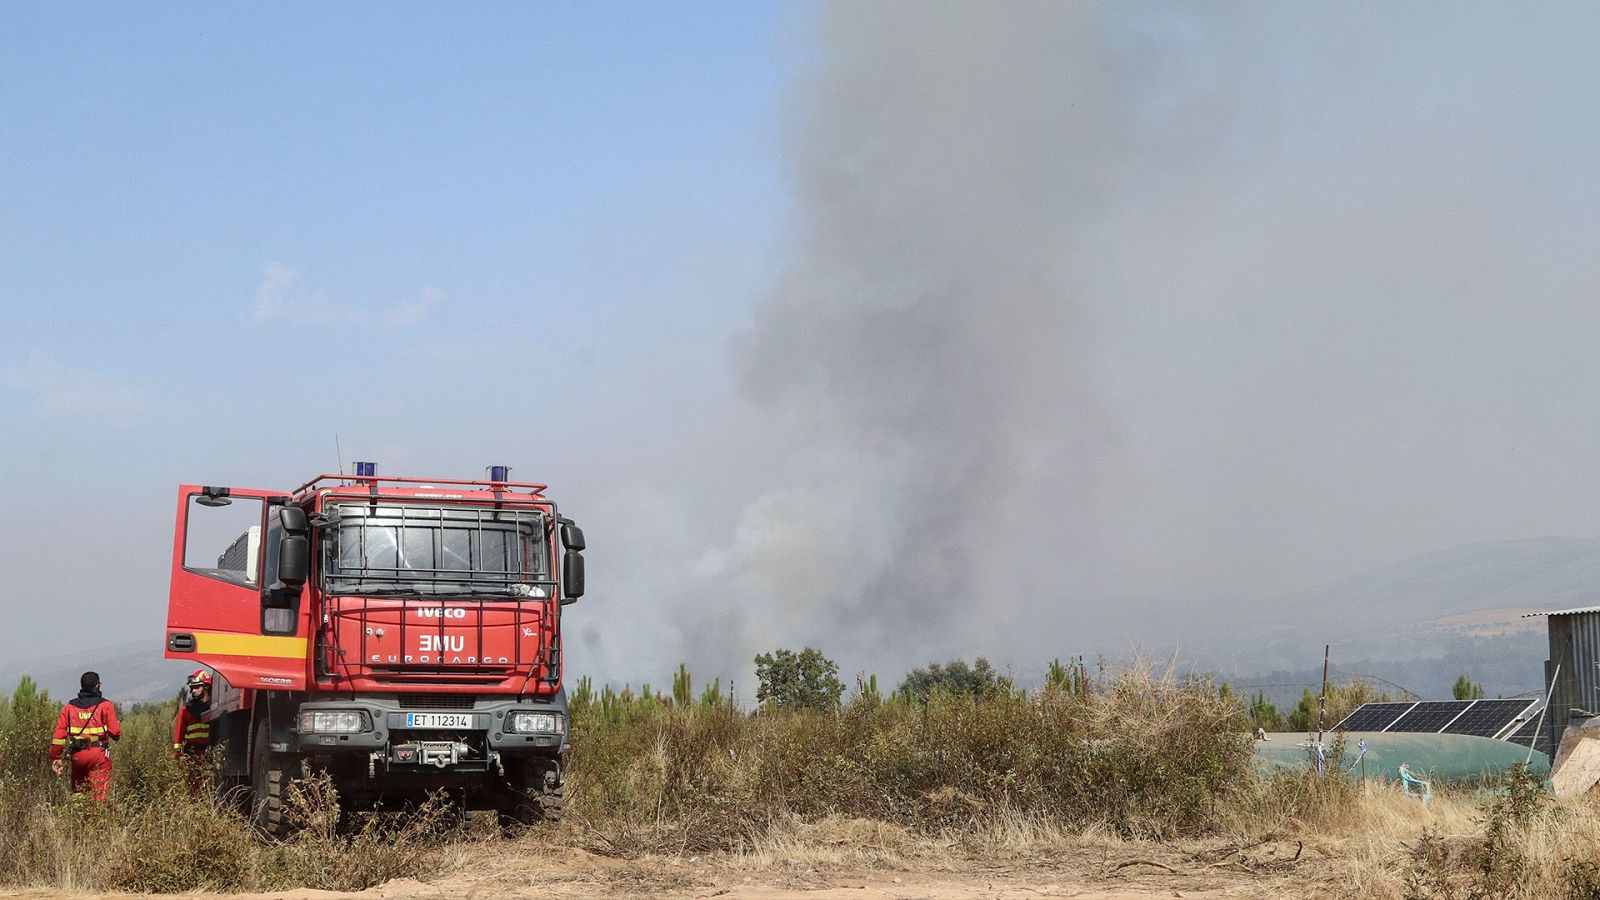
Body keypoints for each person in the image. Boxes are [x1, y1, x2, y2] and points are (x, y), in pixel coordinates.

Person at [50, 671, 121, 802]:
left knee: (78, 792)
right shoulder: (106, 705)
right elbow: (115, 732)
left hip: (77, 755)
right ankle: (98, 813)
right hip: (98, 755)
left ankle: (78, 813)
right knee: (100, 794)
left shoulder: (69, 707)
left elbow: (58, 735)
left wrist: (56, 757)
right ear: (98, 685)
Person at [173, 669, 214, 795]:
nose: (194, 691)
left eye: (197, 687)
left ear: (206, 687)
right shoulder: (186, 711)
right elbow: (178, 736)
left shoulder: (214, 708)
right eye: (192, 688)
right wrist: (177, 755)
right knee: (194, 789)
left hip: (210, 756)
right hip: (192, 756)